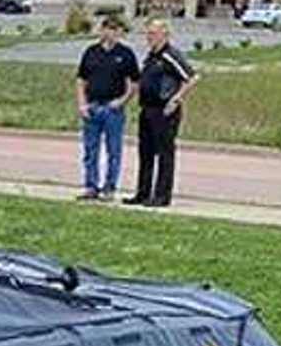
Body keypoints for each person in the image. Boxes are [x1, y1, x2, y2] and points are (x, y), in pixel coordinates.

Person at [126, 19, 200, 208]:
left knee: (165, 154)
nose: (149, 37)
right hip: (147, 109)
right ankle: (143, 193)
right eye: (148, 34)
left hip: (164, 111)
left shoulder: (170, 55)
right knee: (146, 153)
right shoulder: (151, 56)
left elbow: (192, 77)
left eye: (153, 33)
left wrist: (177, 98)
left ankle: (162, 196)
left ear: (164, 35)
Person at [74, 15, 138, 202]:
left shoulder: (125, 54)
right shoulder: (91, 52)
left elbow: (134, 83)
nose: (111, 33)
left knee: (113, 150)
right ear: (101, 30)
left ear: (119, 32)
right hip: (92, 106)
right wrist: (82, 103)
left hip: (112, 109)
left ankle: (109, 188)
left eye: (115, 29)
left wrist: (122, 100)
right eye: (107, 28)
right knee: (90, 150)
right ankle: (91, 186)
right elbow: (81, 80)